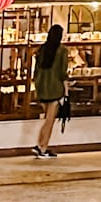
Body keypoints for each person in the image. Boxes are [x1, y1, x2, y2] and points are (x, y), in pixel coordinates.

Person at [31, 23, 71, 158]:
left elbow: (36, 72)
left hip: (42, 88)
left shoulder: (41, 50)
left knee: (47, 119)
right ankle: (42, 147)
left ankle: (40, 145)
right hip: (55, 88)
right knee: (50, 120)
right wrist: (66, 92)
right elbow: (62, 73)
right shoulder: (62, 51)